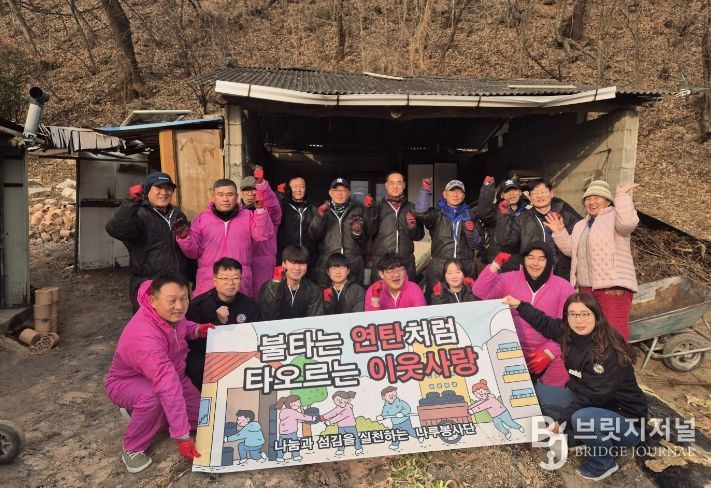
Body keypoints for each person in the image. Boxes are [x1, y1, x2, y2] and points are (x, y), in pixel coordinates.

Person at [502, 293, 647, 481]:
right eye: (573, 314)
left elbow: (594, 396)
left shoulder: (606, 352)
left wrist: (561, 422)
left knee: (581, 418)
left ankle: (604, 463)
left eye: (585, 314)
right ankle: (581, 436)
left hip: (625, 422)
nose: (579, 320)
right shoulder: (569, 333)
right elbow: (544, 322)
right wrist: (519, 305)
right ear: (567, 317)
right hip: (590, 404)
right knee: (538, 393)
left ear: (597, 315)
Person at [104, 275, 214, 473]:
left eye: (184, 298)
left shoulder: (169, 315)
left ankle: (146, 415)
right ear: (153, 301)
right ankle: (132, 448)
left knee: (204, 418)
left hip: (173, 376)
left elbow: (182, 327)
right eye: (172, 300)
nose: (179, 306)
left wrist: (198, 330)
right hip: (127, 382)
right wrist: (182, 437)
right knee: (154, 397)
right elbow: (167, 386)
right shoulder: (145, 337)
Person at [545, 181, 640, 340]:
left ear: (607, 201)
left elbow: (627, 224)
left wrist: (621, 196)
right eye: (588, 199)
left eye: (597, 197)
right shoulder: (581, 225)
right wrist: (560, 232)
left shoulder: (615, 216)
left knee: (614, 332)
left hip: (612, 286)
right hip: (586, 288)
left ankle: (619, 357)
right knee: (590, 333)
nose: (591, 202)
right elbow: (572, 250)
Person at [472, 242, 574, 389]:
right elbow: (480, 291)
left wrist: (550, 353)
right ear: (523, 259)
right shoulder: (509, 279)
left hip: (547, 353)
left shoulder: (563, 286)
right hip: (512, 351)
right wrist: (495, 264)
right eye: (530, 257)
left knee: (551, 393)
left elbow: (567, 327)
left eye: (541, 258)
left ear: (549, 262)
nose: (535, 263)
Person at [175, 178, 273, 299]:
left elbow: (262, 235)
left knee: (240, 310)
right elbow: (193, 252)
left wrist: (260, 210)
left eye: (230, 194)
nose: (225, 199)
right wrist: (184, 238)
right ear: (213, 197)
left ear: (236, 196)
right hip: (209, 281)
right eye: (220, 195)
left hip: (239, 281)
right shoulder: (202, 219)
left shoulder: (248, 216)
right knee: (207, 311)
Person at [105, 172, 190, 311]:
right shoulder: (138, 214)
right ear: (147, 190)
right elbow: (116, 229)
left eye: (168, 188)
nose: (164, 192)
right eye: (159, 188)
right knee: (149, 322)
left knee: (179, 320)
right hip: (148, 284)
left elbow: (185, 249)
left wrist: (193, 277)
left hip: (177, 282)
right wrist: (131, 200)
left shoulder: (177, 214)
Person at [185, 258, 260, 390]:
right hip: (209, 356)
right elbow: (194, 344)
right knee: (195, 364)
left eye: (236, 278)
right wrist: (219, 323)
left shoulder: (250, 305)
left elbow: (256, 336)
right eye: (225, 279)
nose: (230, 283)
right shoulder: (198, 305)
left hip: (240, 353)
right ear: (215, 279)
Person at [501, 178, 581, 281]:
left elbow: (581, 243)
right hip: (534, 273)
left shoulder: (566, 215)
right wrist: (504, 217)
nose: (539, 196)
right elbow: (508, 242)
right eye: (535, 193)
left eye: (543, 192)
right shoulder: (522, 218)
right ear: (529, 197)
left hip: (562, 274)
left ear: (551, 194)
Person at [414, 178, 482, 296]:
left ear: (464, 195)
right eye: (452, 191)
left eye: (459, 191)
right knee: (436, 299)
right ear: (445, 194)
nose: (456, 194)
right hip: (439, 266)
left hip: (466, 266)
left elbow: (478, 244)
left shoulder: (470, 215)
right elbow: (420, 213)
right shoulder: (437, 214)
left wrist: (471, 232)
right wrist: (426, 190)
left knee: (467, 300)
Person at [363, 171, 424, 283]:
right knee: (380, 293)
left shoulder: (412, 208)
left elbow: (419, 236)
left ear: (404, 185)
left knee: (407, 293)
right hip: (382, 263)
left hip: (405, 263)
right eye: (391, 183)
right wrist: (369, 212)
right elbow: (370, 231)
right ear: (386, 185)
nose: (395, 186)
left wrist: (413, 227)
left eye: (399, 183)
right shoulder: (377, 206)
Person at [308, 178, 369, 287]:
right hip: (328, 263)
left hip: (353, 263)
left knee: (353, 294)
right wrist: (320, 217)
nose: (340, 193)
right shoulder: (323, 210)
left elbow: (366, 239)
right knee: (327, 295)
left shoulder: (358, 210)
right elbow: (314, 235)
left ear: (349, 193)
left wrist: (358, 233)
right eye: (336, 190)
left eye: (343, 190)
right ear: (330, 193)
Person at [240, 166, 282, 294]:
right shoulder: (237, 213)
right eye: (245, 190)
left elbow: (273, 204)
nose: (250, 193)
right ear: (241, 193)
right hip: (242, 263)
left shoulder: (270, 212)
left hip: (264, 264)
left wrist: (262, 185)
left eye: (253, 189)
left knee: (262, 298)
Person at [475, 176, 529, 270]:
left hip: (522, 263)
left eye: (514, 190)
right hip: (498, 263)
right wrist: (487, 188)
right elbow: (483, 213)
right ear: (502, 195)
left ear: (520, 192)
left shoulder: (528, 212)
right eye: (507, 191)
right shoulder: (495, 212)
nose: (511, 194)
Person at [259, 245, 324, 320]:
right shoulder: (268, 287)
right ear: (283, 264)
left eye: (302, 263)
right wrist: (276, 283)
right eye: (293, 263)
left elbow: (315, 320)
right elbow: (267, 315)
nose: (297, 268)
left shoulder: (314, 290)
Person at [275, 175, 319, 276]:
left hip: (309, 262)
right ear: (289, 189)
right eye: (295, 186)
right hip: (287, 261)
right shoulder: (282, 207)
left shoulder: (313, 210)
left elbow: (318, 234)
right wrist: (280, 196)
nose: (298, 190)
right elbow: (272, 212)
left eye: (301, 186)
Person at [320, 391, 363, 456]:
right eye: (337, 400)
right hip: (341, 427)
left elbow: (341, 416)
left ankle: (358, 448)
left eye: (342, 399)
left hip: (351, 426)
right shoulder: (338, 407)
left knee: (355, 437)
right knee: (340, 438)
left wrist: (330, 421)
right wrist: (323, 417)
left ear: (348, 400)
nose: (340, 401)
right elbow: (332, 413)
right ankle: (340, 449)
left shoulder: (348, 407)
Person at [275, 395, 316, 463]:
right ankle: (296, 456)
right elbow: (302, 416)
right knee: (294, 443)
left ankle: (279, 457)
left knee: (281, 445)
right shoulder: (293, 412)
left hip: (282, 433)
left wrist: (302, 421)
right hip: (292, 432)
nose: (300, 404)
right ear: (291, 404)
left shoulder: (284, 411)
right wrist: (312, 418)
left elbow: (296, 419)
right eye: (299, 402)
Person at [377, 386, 420, 450]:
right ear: (383, 397)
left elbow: (407, 408)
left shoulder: (400, 402)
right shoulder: (386, 406)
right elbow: (385, 413)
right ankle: (395, 444)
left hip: (405, 420)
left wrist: (402, 413)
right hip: (395, 423)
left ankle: (419, 436)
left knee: (409, 430)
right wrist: (382, 417)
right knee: (395, 433)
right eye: (389, 395)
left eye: (393, 394)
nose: (392, 396)